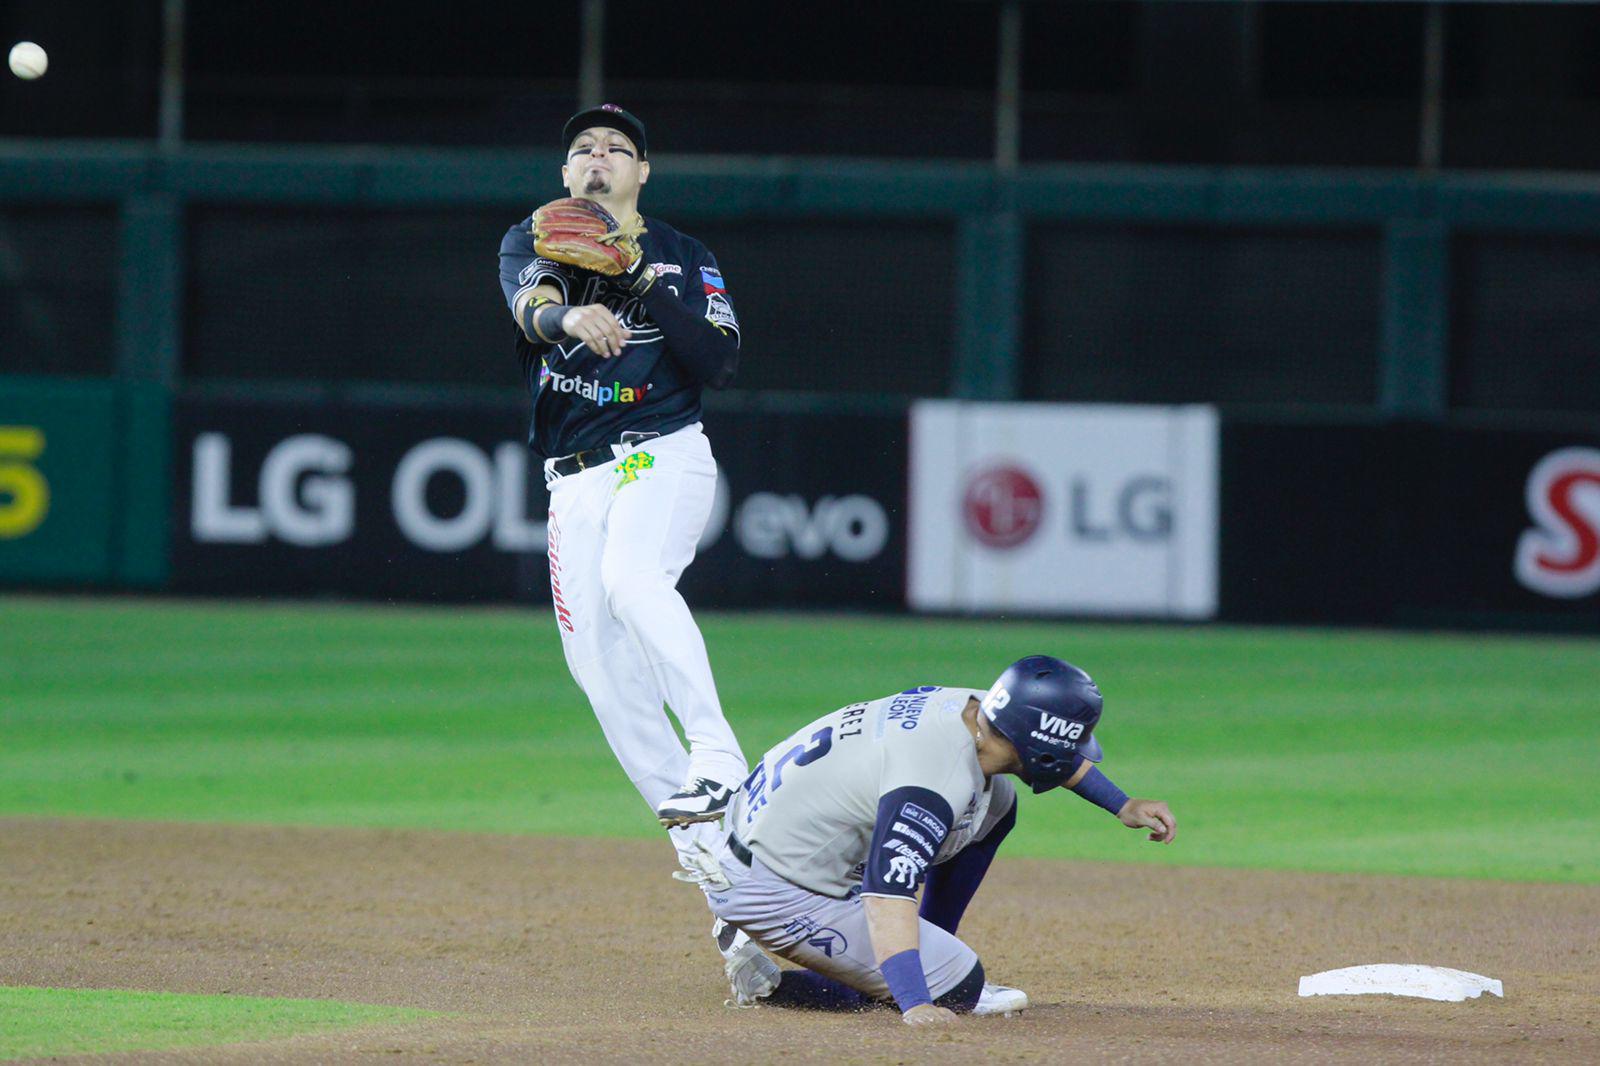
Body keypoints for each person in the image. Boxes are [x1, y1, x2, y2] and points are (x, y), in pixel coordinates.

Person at [496, 104, 765, 990]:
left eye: (616, 149)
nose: (598, 159)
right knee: (605, 683)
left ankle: (719, 752)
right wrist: (569, 321)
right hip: (572, 481)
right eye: (581, 149)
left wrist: (647, 282)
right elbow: (533, 310)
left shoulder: (687, 256)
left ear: (642, 173)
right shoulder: (533, 240)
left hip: (662, 452)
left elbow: (718, 362)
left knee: (631, 579)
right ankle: (740, 905)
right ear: (565, 171)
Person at [680, 655, 1177, 1023]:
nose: (1070, 757)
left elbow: (1043, 748)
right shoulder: (932, 783)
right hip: (772, 886)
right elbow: (886, 892)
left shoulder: (974, 709)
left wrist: (1122, 804)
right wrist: (917, 1002)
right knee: (958, 985)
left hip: (775, 834)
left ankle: (924, 947)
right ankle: (766, 983)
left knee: (996, 804)